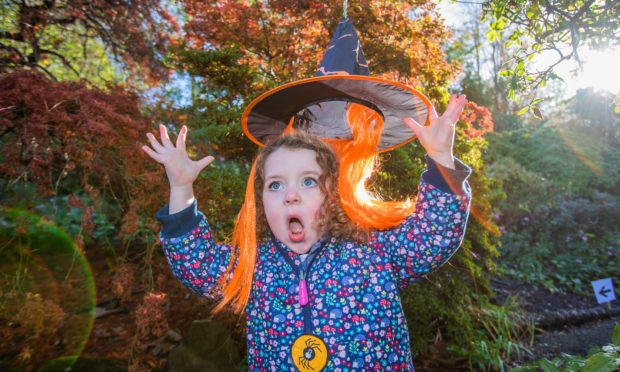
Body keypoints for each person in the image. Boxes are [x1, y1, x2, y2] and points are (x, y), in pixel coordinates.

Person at [141, 94, 472, 371]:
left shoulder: (372, 254)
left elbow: (434, 235)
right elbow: (196, 265)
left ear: (332, 195)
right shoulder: (254, 267)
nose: (291, 194)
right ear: (262, 202)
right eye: (275, 184)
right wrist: (181, 188)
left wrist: (441, 157)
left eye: (308, 181)